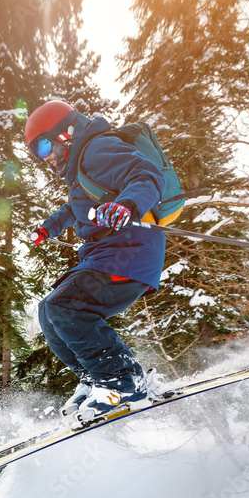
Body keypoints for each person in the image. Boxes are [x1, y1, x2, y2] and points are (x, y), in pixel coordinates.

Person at [25, 99, 167, 424]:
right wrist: (47, 229)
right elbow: (71, 210)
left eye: (43, 144)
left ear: (65, 133)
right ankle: (97, 380)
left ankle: (121, 383)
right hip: (109, 255)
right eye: (36, 152)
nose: (43, 157)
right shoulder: (80, 175)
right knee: (49, 311)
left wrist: (127, 205)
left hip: (129, 251)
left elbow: (146, 174)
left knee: (65, 306)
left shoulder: (98, 149)